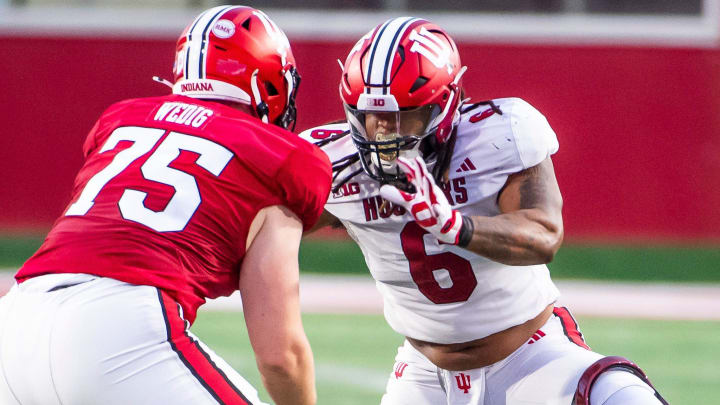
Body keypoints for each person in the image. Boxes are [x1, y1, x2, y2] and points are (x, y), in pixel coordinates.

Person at [301, 17, 667, 405]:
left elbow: (544, 235)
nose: (386, 136)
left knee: (622, 396)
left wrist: (455, 225)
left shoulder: (499, 134)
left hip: (532, 356)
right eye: (371, 117)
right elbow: (253, 235)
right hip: (424, 375)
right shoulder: (330, 163)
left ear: (445, 107)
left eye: (405, 116)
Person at [0, 6, 330, 405]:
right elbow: (280, 356)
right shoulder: (283, 157)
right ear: (271, 85)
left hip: (16, 322)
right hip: (115, 328)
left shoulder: (121, 119)